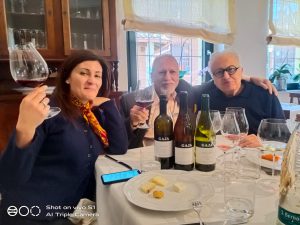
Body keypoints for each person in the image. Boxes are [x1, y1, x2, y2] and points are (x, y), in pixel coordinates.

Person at [0, 50, 128, 224]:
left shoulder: (91, 116)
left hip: (72, 213)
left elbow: (118, 149)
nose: (92, 80)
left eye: (98, 75)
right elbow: (9, 179)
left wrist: (108, 104)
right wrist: (25, 128)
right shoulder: (47, 112)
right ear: (67, 78)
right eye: (84, 73)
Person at [120, 54, 277, 149]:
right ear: (152, 75)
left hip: (183, 159)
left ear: (178, 75)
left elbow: (221, 78)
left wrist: (248, 78)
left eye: (173, 72)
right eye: (161, 72)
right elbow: (116, 140)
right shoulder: (131, 101)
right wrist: (131, 122)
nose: (167, 77)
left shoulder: (190, 94)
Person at [194, 50, 285, 147]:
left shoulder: (265, 94)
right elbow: (177, 83)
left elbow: (283, 138)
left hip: (255, 156)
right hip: (217, 156)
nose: (226, 76)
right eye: (219, 72)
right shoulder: (204, 94)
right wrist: (250, 78)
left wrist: (263, 142)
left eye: (231, 69)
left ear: (241, 71)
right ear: (212, 77)